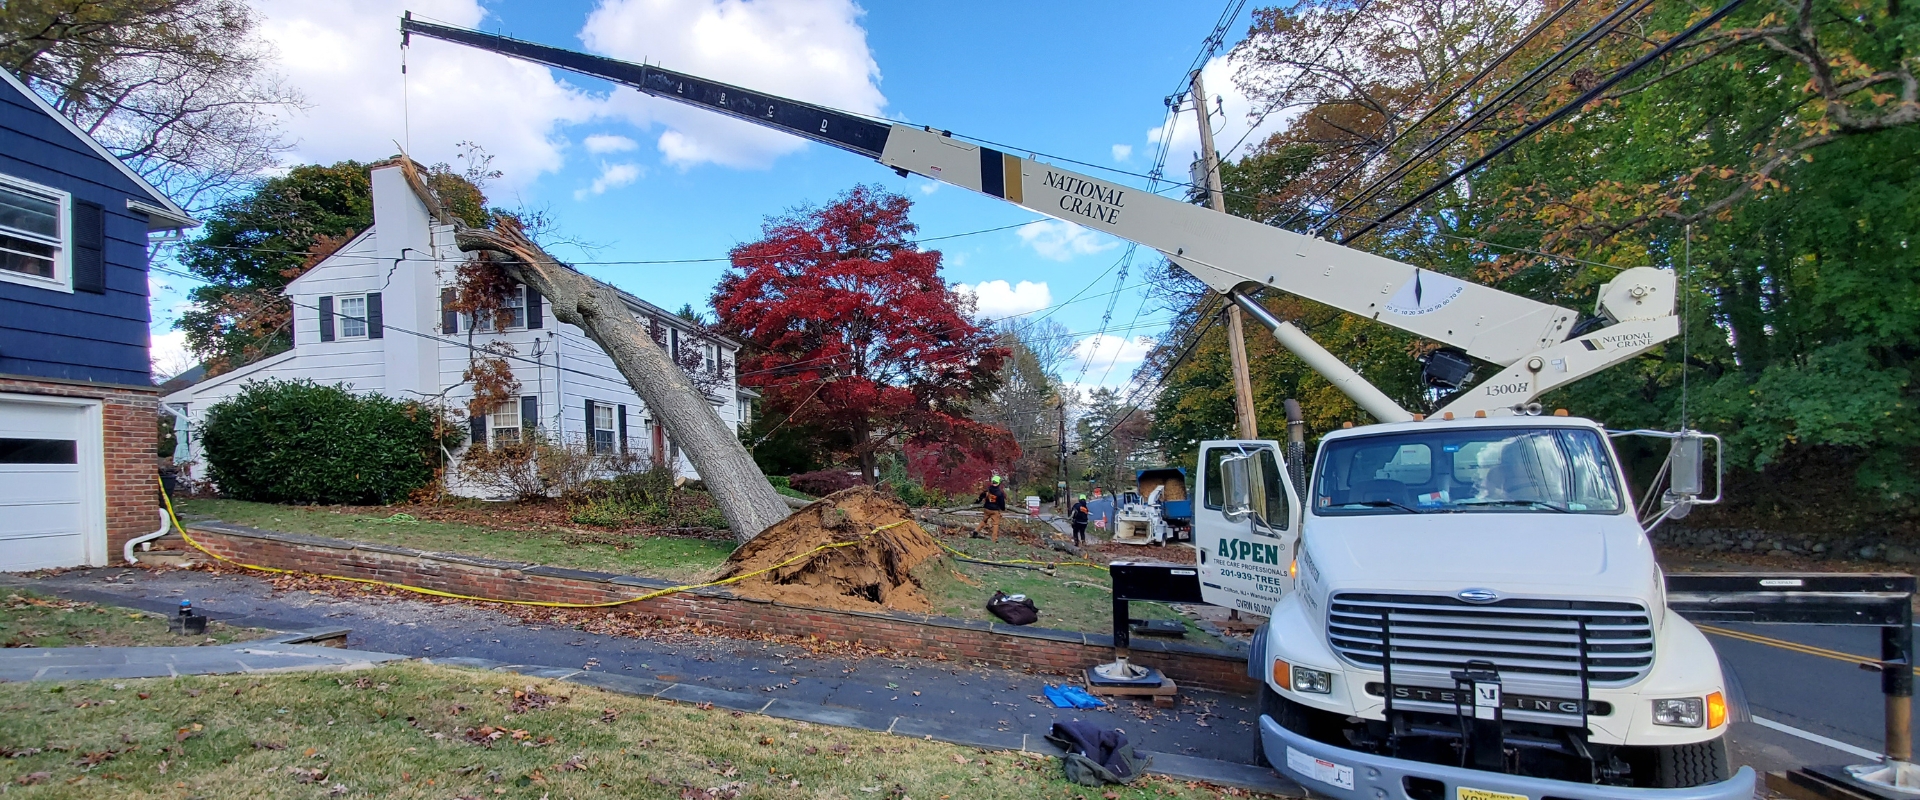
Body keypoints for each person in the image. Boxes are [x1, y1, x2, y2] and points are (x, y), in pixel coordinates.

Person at [973, 475, 1008, 541]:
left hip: (987, 508)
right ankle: (994, 539)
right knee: (995, 524)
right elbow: (1002, 503)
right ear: (999, 483)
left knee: (984, 520)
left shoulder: (988, 490)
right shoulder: (1000, 493)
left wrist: (977, 502)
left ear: (992, 482)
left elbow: (981, 496)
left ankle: (976, 530)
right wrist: (1003, 509)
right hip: (995, 510)